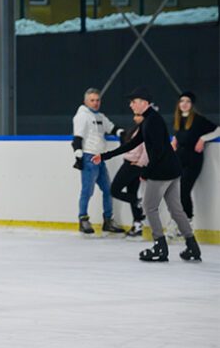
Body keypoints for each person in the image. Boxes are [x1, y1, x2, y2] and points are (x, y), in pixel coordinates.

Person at [96, 87, 200, 262]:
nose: (131, 105)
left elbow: (158, 151)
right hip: (172, 170)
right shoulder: (149, 119)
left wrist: (146, 172)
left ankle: (160, 247)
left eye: (133, 102)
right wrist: (105, 156)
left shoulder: (152, 121)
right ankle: (193, 246)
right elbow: (133, 144)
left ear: (144, 103)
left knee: (149, 207)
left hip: (162, 172)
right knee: (176, 209)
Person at [71, 88, 124, 236]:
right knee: (87, 190)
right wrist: (78, 155)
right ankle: (83, 219)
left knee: (108, 190)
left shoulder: (100, 116)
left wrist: (121, 132)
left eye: (97, 100)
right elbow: (77, 137)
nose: (95, 103)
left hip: (100, 157)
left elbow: (111, 127)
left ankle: (108, 220)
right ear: (85, 101)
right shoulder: (82, 116)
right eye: (92, 100)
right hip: (88, 157)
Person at [170, 91, 219, 223]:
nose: (184, 104)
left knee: (183, 191)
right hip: (179, 159)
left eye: (188, 101)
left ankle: (187, 220)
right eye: (182, 101)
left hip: (193, 160)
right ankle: (179, 220)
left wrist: (203, 139)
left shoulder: (198, 119)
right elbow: (179, 135)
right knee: (174, 191)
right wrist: (174, 140)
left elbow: (218, 130)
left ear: (192, 104)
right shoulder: (178, 119)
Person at [108, 111, 147, 239]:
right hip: (132, 164)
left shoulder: (146, 130)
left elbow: (148, 149)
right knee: (131, 193)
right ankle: (138, 225)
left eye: (139, 115)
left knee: (114, 190)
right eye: (135, 115)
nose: (136, 117)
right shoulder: (137, 129)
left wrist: (140, 163)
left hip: (133, 165)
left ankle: (138, 202)